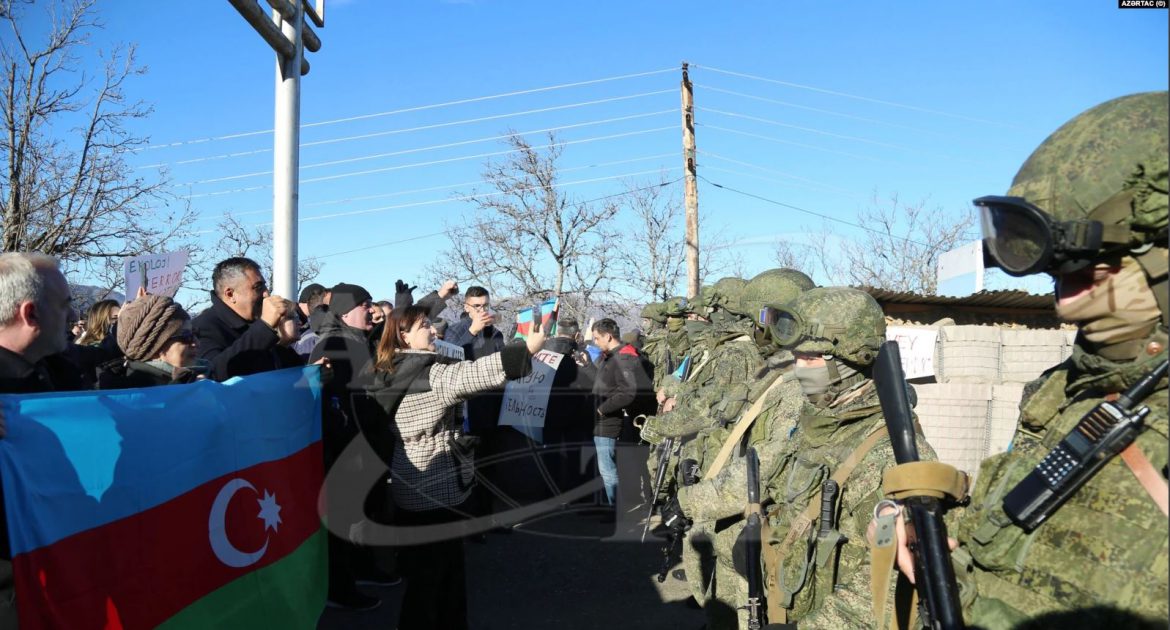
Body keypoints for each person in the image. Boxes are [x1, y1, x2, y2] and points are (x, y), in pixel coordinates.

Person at [875, 91, 1169, 628]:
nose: (1064, 302)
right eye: (1057, 277)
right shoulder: (1057, 392)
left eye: (1094, 274)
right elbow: (1014, 556)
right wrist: (942, 553)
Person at [663, 287, 938, 629]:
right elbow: (768, 478)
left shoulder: (893, 454)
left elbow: (884, 588)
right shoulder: (813, 424)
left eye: (810, 358)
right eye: (796, 357)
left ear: (854, 360)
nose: (799, 368)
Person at [364, 305, 546, 630]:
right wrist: (527, 349)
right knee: (436, 579)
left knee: (427, 575)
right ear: (403, 335)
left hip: (409, 478)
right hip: (436, 486)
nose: (433, 331)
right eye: (424, 326)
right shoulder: (426, 374)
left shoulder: (387, 369)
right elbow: (472, 375)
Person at [0, 253, 83, 627]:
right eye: (65, 306)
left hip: (63, 574)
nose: (74, 318)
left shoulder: (59, 373)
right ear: (31, 314)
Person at [308, 282, 394, 611]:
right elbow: (326, 399)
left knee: (364, 515)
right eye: (365, 304)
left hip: (369, 445)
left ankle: (364, 569)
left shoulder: (362, 340)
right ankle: (339, 587)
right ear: (346, 312)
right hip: (346, 451)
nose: (372, 310)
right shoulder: (331, 345)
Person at [190, 257, 295, 381]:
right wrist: (265, 326)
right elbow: (215, 374)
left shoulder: (255, 324)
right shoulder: (204, 327)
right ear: (230, 294)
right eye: (258, 287)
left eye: (264, 286)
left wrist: (283, 345)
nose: (266, 294)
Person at [590, 318, 655, 507]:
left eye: (596, 338)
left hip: (613, 420)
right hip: (608, 420)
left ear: (608, 336)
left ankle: (615, 508)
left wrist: (603, 408)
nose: (594, 342)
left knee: (611, 469)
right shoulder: (609, 356)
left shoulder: (624, 358)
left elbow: (627, 392)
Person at [541, 317, 597, 497]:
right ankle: (577, 494)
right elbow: (595, 383)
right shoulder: (582, 355)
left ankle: (550, 492)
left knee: (551, 454)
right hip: (577, 413)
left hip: (548, 411)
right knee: (576, 456)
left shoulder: (542, 353)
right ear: (577, 334)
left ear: (558, 333)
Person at [98, 294, 201, 388]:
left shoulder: (201, 377)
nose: (196, 343)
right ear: (153, 348)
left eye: (195, 333)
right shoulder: (136, 396)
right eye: (186, 335)